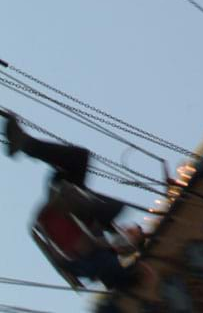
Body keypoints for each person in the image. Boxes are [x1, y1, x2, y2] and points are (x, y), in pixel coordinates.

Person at [2, 111, 148, 291]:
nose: (130, 227)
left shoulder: (105, 254)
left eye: (134, 231)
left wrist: (130, 252)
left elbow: (111, 268)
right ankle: (25, 143)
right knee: (78, 160)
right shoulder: (105, 243)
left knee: (80, 161)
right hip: (68, 209)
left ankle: (25, 143)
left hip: (67, 213)